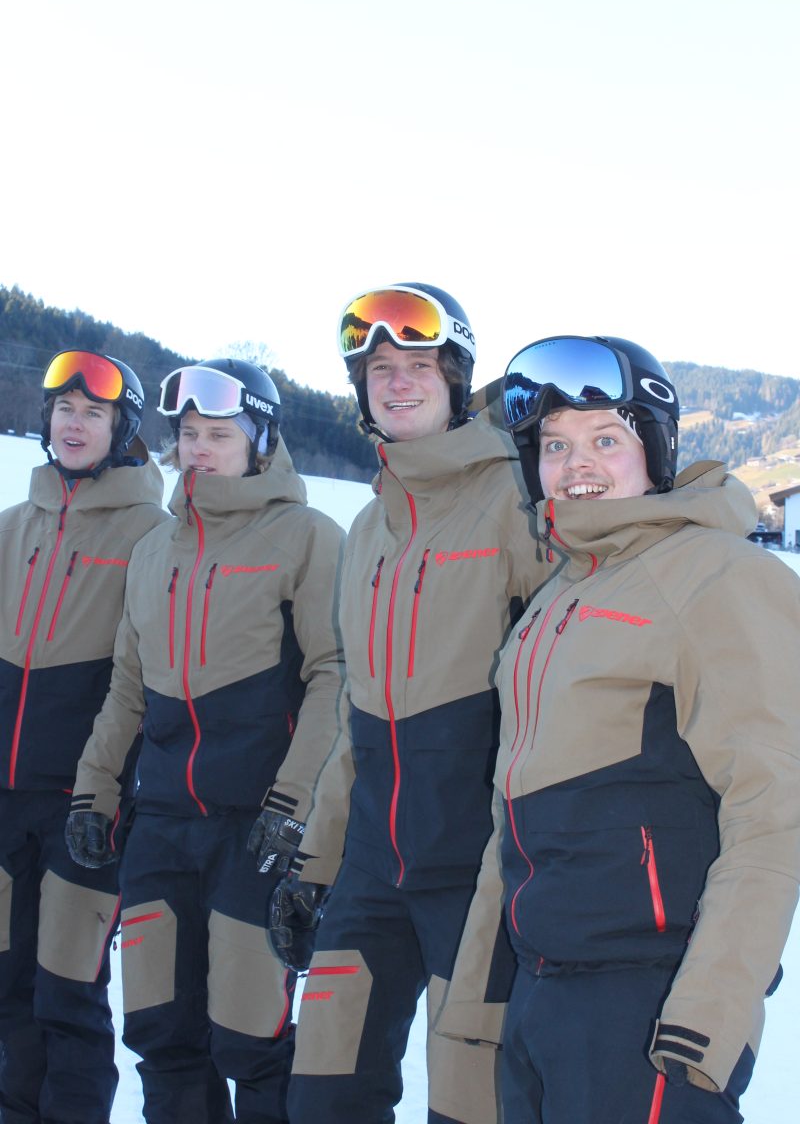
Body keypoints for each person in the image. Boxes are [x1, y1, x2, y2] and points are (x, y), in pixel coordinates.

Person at [438, 334, 800, 1123]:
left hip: (647, 1006)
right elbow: (511, 823)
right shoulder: (558, 598)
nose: (578, 465)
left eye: (606, 438)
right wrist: (476, 1009)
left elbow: (775, 811)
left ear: (656, 450)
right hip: (539, 994)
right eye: (555, 445)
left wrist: (707, 1016)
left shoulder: (720, 576)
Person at [263, 284, 547, 1124]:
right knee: (323, 1096)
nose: (397, 381)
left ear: (456, 378)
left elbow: (567, 695)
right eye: (379, 367)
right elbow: (358, 720)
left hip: (480, 876)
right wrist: (316, 863)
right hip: (370, 876)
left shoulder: (518, 503)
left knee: (471, 1107)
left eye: (419, 365)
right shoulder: (368, 529)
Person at [65, 358, 346, 1124]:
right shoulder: (156, 549)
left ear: (261, 440)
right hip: (161, 829)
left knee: (252, 1040)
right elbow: (127, 686)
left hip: (256, 829)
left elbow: (335, 676)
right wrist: (95, 790)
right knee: (163, 1035)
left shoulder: (307, 538)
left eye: (219, 434)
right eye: (189, 433)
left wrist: (293, 807)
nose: (198, 448)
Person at [0, 349, 166, 1124]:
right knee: (8, 988)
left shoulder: (150, 535)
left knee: (68, 994)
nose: (74, 423)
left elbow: (145, 679)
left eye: (93, 412)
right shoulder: (12, 527)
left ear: (121, 428)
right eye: (64, 409)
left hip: (85, 807)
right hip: (4, 804)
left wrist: (111, 794)